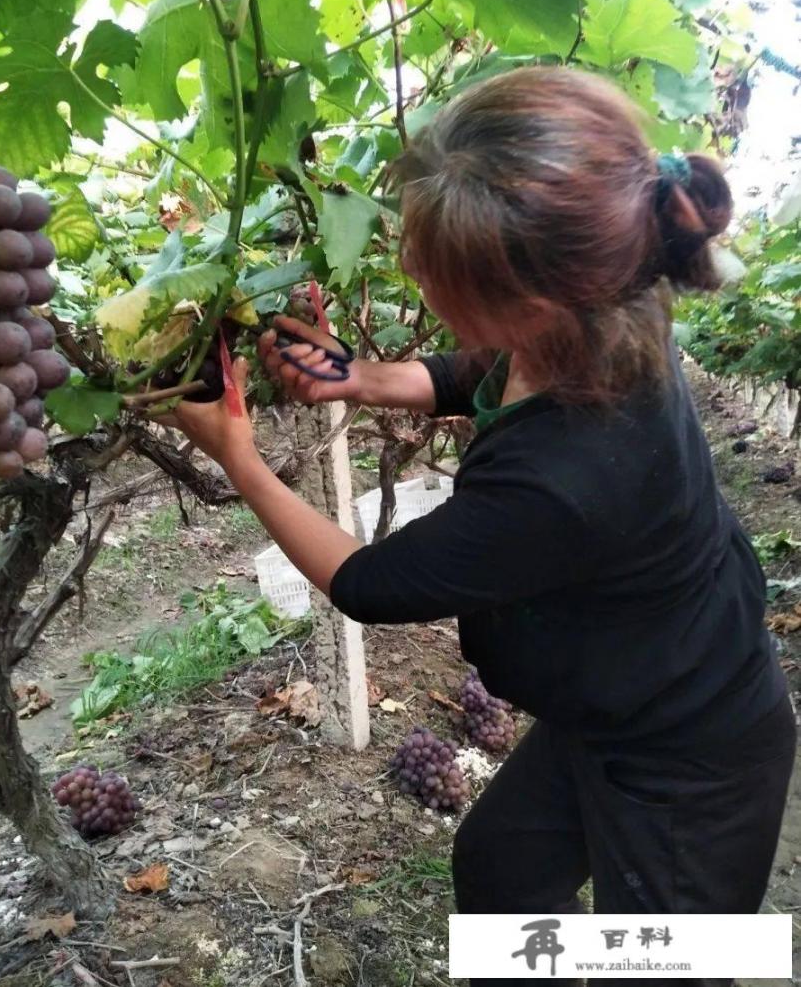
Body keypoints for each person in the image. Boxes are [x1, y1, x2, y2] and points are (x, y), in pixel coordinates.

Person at [158, 68, 796, 987]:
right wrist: (365, 379)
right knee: (501, 871)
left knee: (673, 969)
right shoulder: (615, 291)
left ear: (532, 304)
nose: (413, 271)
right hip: (621, 690)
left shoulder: (565, 478)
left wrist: (241, 459)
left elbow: (371, 586)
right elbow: (483, 369)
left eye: (435, 270)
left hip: (692, 751)